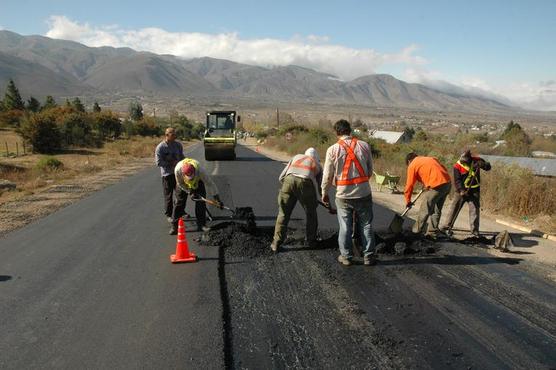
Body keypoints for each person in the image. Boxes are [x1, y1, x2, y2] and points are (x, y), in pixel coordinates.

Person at [321, 119, 376, 267]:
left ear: (336, 132)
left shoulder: (332, 150)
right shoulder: (364, 146)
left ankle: (346, 257)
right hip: (364, 193)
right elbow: (370, 170)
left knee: (345, 226)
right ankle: (369, 256)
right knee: (366, 225)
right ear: (349, 130)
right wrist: (361, 183)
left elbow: (327, 176)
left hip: (343, 195)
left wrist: (324, 193)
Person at [270, 147, 323, 252]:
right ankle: (311, 241)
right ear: (316, 157)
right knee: (311, 213)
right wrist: (322, 200)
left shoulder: (296, 157)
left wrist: (287, 189)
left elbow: (281, 177)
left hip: (288, 181)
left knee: (283, 213)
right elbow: (321, 186)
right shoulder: (318, 165)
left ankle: (276, 243)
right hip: (306, 184)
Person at [442, 150, 491, 237]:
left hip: (474, 190)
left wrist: (483, 165)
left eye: (465, 160)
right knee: (454, 208)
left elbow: (488, 167)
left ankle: (475, 231)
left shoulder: (477, 160)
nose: (462, 161)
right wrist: (461, 190)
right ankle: (447, 227)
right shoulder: (457, 166)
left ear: (469, 158)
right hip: (461, 191)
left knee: (474, 210)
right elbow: (457, 180)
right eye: (462, 160)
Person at [170, 158, 223, 234]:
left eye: (192, 176)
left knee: (201, 202)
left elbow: (210, 184)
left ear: (194, 171)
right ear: (183, 174)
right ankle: (174, 226)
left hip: (198, 181)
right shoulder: (177, 170)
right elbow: (180, 184)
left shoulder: (200, 171)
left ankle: (201, 224)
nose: (190, 179)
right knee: (179, 202)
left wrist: (217, 199)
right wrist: (190, 192)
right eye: (189, 177)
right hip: (182, 184)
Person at [404, 152, 451, 238]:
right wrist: (427, 183)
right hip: (447, 183)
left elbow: (409, 185)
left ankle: (416, 232)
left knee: (424, 208)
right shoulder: (430, 158)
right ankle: (432, 232)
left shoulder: (412, 165)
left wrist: (408, 201)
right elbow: (441, 169)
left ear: (409, 161)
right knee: (437, 209)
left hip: (437, 185)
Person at [155, 127, 185, 223]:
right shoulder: (160, 147)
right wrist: (171, 163)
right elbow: (158, 162)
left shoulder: (178, 145)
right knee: (168, 196)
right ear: (167, 135)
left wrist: (186, 162)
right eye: (172, 135)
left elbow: (181, 156)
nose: (175, 136)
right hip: (167, 175)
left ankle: (180, 212)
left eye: (175, 134)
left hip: (178, 174)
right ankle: (169, 215)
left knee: (180, 194)